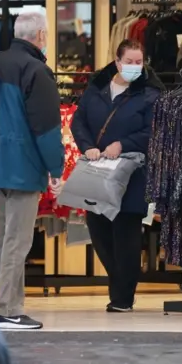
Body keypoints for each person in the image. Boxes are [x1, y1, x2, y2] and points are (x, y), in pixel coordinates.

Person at [0, 12, 64, 330]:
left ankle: (7, 306)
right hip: (24, 166)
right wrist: (56, 168)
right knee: (17, 240)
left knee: (7, 239)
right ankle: (9, 309)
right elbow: (47, 128)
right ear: (40, 35)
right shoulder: (36, 70)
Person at [70, 39, 164, 312]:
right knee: (99, 233)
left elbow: (154, 131)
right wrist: (88, 146)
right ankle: (120, 283)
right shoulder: (96, 88)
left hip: (131, 173)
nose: (135, 66)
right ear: (117, 61)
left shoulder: (150, 93)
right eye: (130, 61)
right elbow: (79, 122)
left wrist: (123, 144)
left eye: (139, 61)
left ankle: (122, 297)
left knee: (126, 236)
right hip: (97, 171)